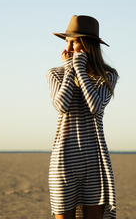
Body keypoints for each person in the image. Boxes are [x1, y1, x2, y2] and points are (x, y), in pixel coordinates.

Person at [46, 15, 118, 219]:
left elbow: (95, 107)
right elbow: (61, 106)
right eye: (66, 41)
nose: (68, 48)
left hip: (95, 163)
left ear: (88, 45)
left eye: (74, 41)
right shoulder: (55, 74)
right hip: (63, 162)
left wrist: (80, 69)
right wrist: (71, 69)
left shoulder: (108, 75)